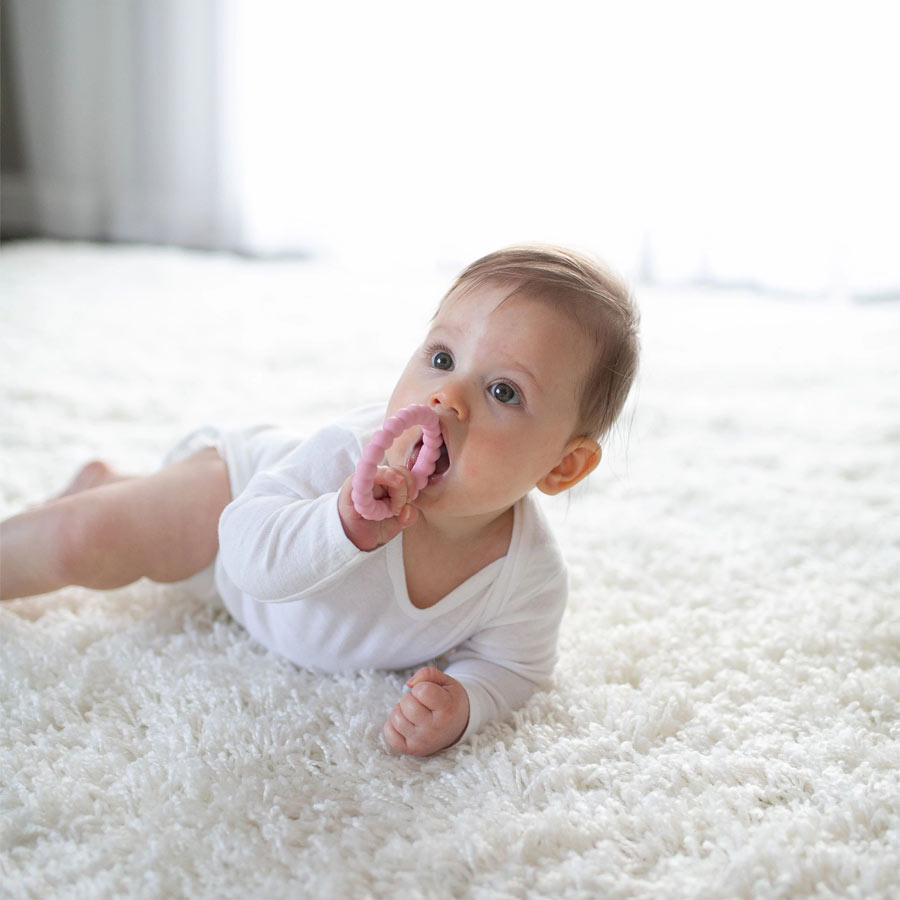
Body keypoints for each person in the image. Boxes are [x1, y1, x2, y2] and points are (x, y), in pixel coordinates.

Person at [0, 244, 640, 756]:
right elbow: (244, 546)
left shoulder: (526, 575)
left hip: (252, 604)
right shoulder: (346, 457)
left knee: (121, 519)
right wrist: (338, 521)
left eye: (504, 392)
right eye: (441, 356)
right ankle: (98, 503)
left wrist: (466, 705)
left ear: (563, 465)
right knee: (82, 541)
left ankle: (108, 485)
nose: (448, 398)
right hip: (233, 505)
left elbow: (516, 669)